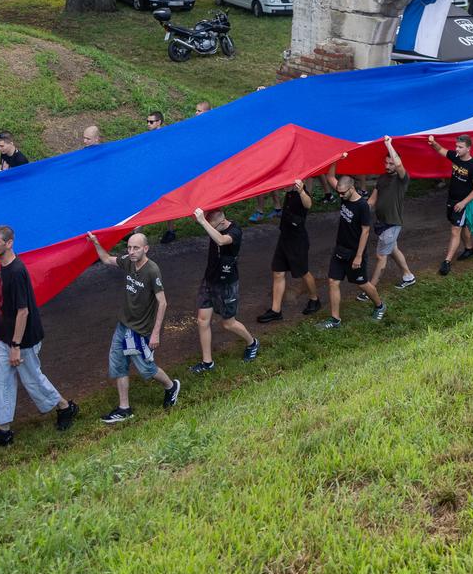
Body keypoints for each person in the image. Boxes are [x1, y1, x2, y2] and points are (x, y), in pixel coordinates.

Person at [0, 226, 77, 448]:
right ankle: (4, 431)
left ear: (9, 243)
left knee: (32, 379)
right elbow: (8, 282)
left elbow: (23, 311)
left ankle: (65, 407)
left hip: (23, 339)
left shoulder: (18, 270)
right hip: (4, 335)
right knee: (0, 382)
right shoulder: (6, 267)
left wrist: (16, 346)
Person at [89, 231, 180, 422]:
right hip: (123, 325)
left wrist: (155, 334)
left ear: (146, 249)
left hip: (140, 330)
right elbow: (106, 259)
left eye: (136, 248)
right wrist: (96, 243)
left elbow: (162, 303)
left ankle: (171, 386)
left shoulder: (152, 270)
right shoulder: (128, 261)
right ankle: (124, 408)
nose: (131, 251)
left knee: (146, 368)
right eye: (129, 247)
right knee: (118, 363)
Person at [189, 207, 259, 372]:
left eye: (211, 226)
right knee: (202, 320)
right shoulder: (215, 225)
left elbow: (221, 240)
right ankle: (208, 363)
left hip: (227, 283)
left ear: (222, 222)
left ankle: (252, 343)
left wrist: (204, 222)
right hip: (209, 280)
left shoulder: (235, 231)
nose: (209, 230)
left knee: (228, 323)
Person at [321, 168, 385, 328]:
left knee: (362, 283)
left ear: (352, 188)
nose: (340, 196)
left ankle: (380, 305)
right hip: (340, 249)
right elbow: (330, 176)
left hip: (355, 252)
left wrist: (358, 256)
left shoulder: (362, 206)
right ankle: (335, 319)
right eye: (339, 193)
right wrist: (337, 157)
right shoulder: (344, 195)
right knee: (333, 281)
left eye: (343, 193)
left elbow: (365, 231)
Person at [256, 180, 321, 323]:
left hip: (297, 241)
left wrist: (302, 191)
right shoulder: (289, 193)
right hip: (284, 238)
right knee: (278, 272)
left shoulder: (300, 193)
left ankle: (314, 300)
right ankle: (275, 310)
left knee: (303, 271)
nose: (282, 186)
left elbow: (308, 204)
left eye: (285, 183)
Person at [426, 134, 473, 276]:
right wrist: (433, 142)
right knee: (462, 227)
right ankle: (469, 249)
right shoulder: (455, 156)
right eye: (456, 146)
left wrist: (463, 203)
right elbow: (441, 150)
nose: (457, 149)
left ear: (469, 148)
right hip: (451, 200)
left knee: (455, 230)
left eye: (460, 147)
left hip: (462, 204)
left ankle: (447, 262)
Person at [366, 136, 418, 288]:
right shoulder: (382, 178)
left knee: (381, 255)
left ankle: (371, 288)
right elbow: (372, 200)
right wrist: (360, 210)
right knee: (393, 249)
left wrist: (389, 145)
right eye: (386, 162)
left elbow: (399, 164)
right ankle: (408, 276)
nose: (388, 166)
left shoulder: (402, 179)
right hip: (382, 223)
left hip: (392, 223)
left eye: (391, 163)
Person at [145, 112, 181, 244]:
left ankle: (171, 231)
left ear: (159, 122)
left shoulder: (166, 136)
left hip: (165, 176)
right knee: (145, 201)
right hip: (152, 174)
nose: (148, 124)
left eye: (151, 122)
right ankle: (137, 230)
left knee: (168, 203)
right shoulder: (148, 136)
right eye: (147, 121)